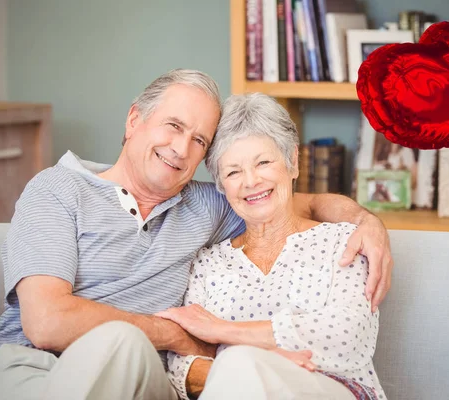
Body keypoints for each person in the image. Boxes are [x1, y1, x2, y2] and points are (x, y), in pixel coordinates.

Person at [0, 69, 392, 400]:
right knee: (120, 341)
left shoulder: (207, 205)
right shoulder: (57, 190)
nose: (180, 148)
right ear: (134, 119)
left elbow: (287, 201)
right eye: (173, 126)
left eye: (199, 140)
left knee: (125, 346)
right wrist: (172, 335)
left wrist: (365, 220)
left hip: (141, 377)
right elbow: (46, 322)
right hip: (38, 370)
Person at [157, 93, 386, 400]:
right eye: (233, 172)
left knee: (239, 361)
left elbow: (348, 336)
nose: (250, 181)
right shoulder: (208, 263)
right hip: (236, 389)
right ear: (222, 187)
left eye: (263, 162)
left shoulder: (344, 242)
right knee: (241, 367)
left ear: (293, 162)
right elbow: (182, 367)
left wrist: (224, 332)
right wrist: (261, 364)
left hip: (334, 390)